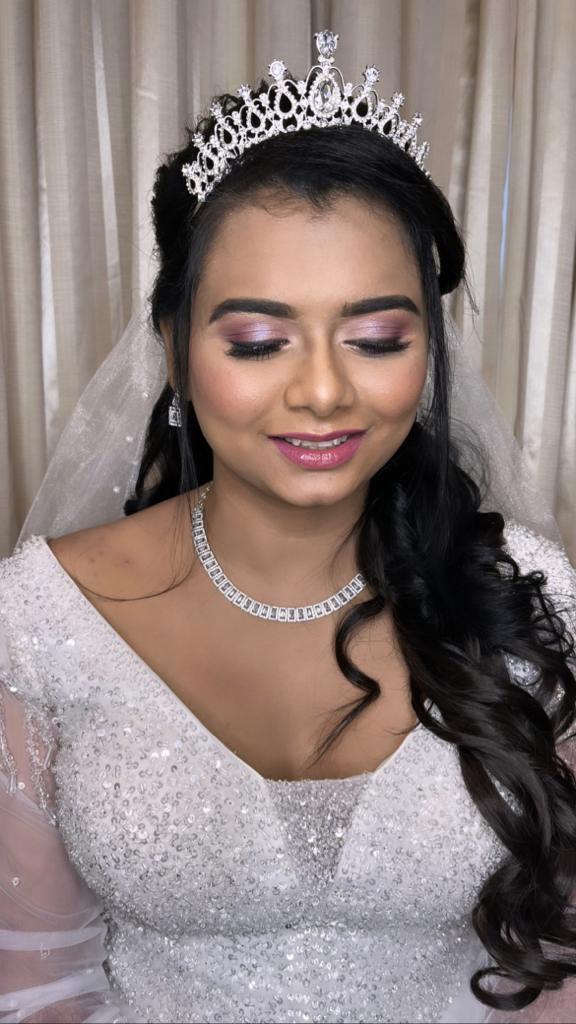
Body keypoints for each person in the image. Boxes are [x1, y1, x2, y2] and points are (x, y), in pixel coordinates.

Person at [1, 29, 575, 1024]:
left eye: (376, 338)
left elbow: (560, 964)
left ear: (429, 352)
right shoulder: (40, 622)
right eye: (261, 340)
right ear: (176, 349)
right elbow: (36, 980)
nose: (322, 390)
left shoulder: (533, 599)